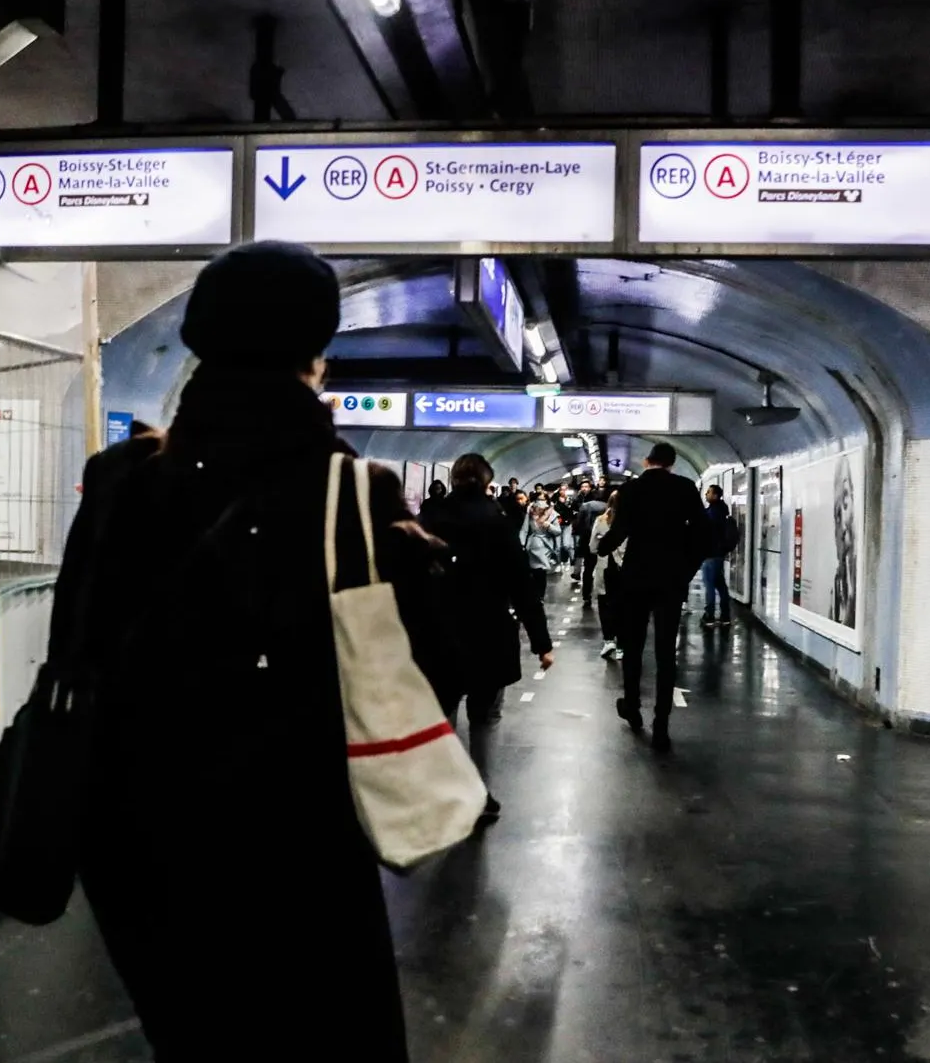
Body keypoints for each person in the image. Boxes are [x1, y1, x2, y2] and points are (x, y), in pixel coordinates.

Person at [69, 242, 446, 1061]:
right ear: (315, 356)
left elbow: (78, 646)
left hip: (135, 833)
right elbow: (404, 667)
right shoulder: (351, 492)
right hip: (296, 841)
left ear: (199, 340)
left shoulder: (118, 480)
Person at [419, 454, 555, 825]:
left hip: (438, 632)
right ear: (487, 481)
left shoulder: (429, 517)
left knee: (442, 714)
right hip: (488, 631)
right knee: (485, 718)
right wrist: (541, 642)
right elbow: (520, 583)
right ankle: (479, 794)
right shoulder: (496, 522)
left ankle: (443, 791)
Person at [594, 442, 711, 753]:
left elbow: (619, 530)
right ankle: (662, 726)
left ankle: (632, 706)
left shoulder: (632, 489)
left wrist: (602, 548)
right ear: (671, 463)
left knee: (633, 647)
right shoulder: (685, 488)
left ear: (647, 461)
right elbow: (702, 534)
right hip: (671, 579)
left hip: (636, 576)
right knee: (665, 652)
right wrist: (687, 569)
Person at [589, 490, 627, 659]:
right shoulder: (630, 522)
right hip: (624, 568)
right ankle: (622, 647)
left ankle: (608, 640)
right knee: (623, 607)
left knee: (604, 604)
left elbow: (592, 546)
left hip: (604, 566)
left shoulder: (600, 521)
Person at [701, 484, 736, 626]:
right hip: (719, 553)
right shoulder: (721, 510)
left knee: (709, 584)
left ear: (715, 495)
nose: (706, 495)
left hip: (711, 553)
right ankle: (725, 615)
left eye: (708, 492)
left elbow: (705, 531)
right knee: (720, 584)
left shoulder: (713, 512)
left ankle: (709, 615)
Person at [520, 496, 561, 604]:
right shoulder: (530, 513)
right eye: (538, 501)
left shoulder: (552, 515)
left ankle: (540, 596)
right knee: (534, 571)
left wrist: (549, 526)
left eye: (543, 501)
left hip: (546, 546)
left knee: (541, 571)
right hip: (533, 544)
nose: (540, 503)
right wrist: (521, 543)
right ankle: (534, 594)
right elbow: (524, 529)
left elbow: (558, 531)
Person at [573, 479, 606, 604]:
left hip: (587, 539)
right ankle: (604, 593)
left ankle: (586, 595)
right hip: (603, 539)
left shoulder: (585, 506)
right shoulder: (607, 506)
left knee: (588, 568)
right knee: (604, 567)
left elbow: (578, 524)